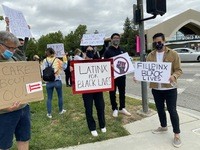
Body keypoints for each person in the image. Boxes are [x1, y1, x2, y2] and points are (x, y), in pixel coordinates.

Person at [146, 33, 183, 148]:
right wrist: (138, 75)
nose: (157, 44)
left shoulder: (173, 54)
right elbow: (146, 70)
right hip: (156, 89)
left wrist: (174, 76)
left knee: (172, 110)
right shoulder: (150, 55)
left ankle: (177, 134)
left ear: (164, 41)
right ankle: (163, 126)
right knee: (160, 109)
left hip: (170, 88)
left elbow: (179, 70)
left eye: (159, 42)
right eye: (155, 42)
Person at [0, 31, 31, 150]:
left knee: (24, 138)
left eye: (15, 48)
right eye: (10, 48)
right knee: (4, 145)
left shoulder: (14, 59)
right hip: (4, 113)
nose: (12, 51)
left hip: (23, 108)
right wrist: (4, 107)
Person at [77, 46, 106, 137]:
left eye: (92, 51)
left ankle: (102, 124)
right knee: (89, 109)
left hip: (97, 89)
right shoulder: (79, 63)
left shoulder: (97, 61)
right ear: (84, 52)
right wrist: (71, 69)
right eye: (88, 51)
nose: (90, 52)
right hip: (86, 90)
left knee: (100, 107)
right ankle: (92, 127)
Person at [103, 33, 131, 117]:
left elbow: (126, 61)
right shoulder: (108, 51)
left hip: (122, 75)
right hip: (112, 76)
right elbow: (105, 63)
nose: (116, 39)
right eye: (114, 38)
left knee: (122, 91)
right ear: (111, 40)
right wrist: (109, 65)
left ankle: (122, 107)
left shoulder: (122, 50)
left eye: (118, 38)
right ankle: (114, 108)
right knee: (112, 92)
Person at [42, 48, 66, 119]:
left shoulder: (44, 60)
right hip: (57, 80)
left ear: (47, 53)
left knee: (49, 98)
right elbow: (65, 66)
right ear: (54, 52)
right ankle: (61, 110)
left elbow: (42, 70)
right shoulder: (57, 60)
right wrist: (64, 57)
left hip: (48, 82)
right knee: (60, 96)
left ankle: (49, 113)